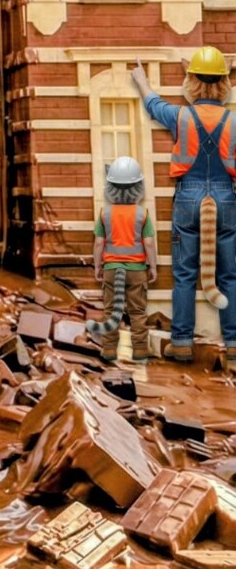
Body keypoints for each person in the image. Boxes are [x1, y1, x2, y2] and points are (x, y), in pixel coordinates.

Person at [132, 48, 236, 367]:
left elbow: (154, 105)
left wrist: (142, 81)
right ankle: (233, 344)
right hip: (225, 198)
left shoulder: (180, 116)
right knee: (230, 275)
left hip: (189, 200)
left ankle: (181, 343)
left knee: (184, 274)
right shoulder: (233, 121)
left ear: (190, 81)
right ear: (224, 83)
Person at [92, 156, 156, 364]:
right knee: (137, 311)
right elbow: (148, 243)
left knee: (111, 311)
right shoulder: (143, 214)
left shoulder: (104, 214)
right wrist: (153, 266)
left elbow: (99, 243)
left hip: (112, 269)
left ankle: (109, 350)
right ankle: (139, 351)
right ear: (138, 186)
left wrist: (97, 266)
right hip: (137, 270)